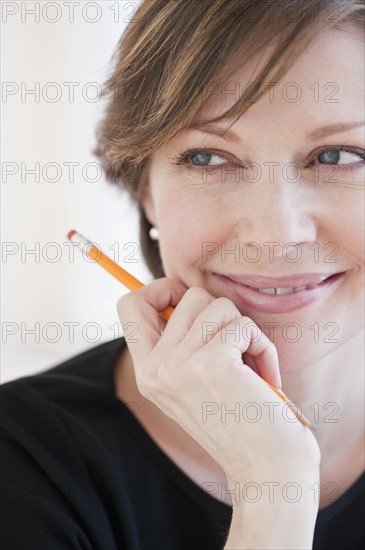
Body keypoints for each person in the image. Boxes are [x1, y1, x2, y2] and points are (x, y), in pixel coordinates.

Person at [1, 1, 364, 548]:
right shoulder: (22, 461)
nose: (275, 234)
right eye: (208, 159)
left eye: (336, 156)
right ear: (145, 189)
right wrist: (273, 492)